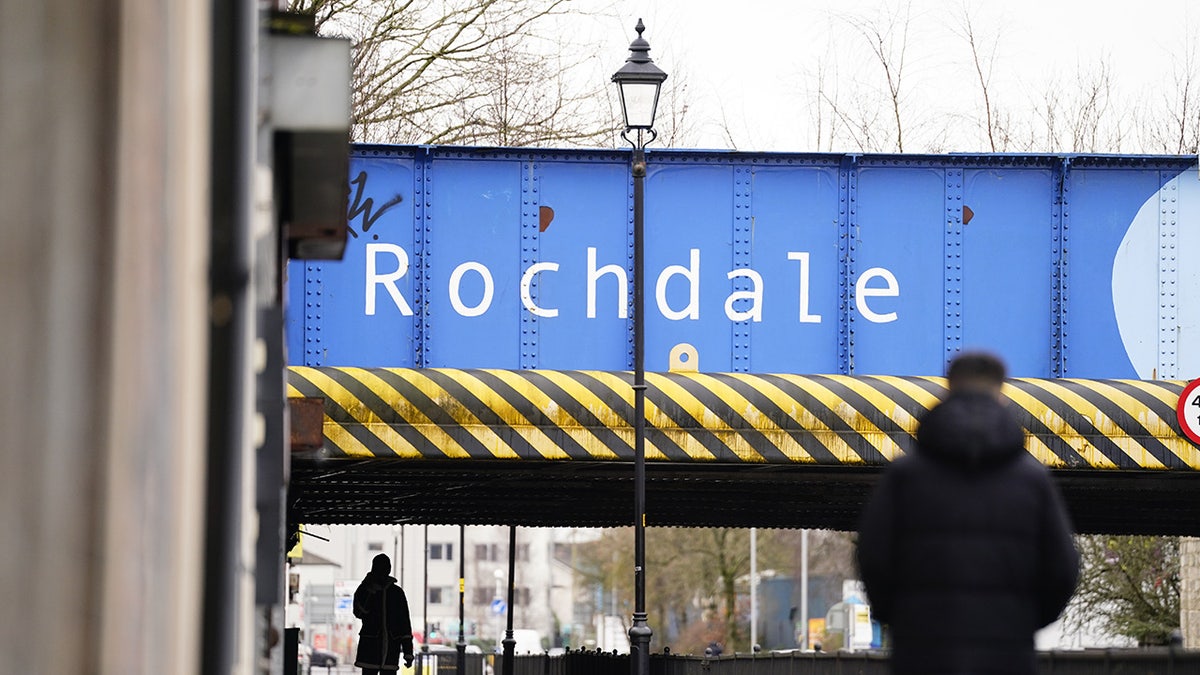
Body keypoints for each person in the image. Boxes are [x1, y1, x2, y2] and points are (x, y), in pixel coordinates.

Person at [857, 352, 1079, 675]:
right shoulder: (1033, 481)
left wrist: (902, 617)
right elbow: (1062, 570)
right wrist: (1022, 621)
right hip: (1007, 656)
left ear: (948, 389)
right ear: (1001, 394)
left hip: (921, 655)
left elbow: (873, 560)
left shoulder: (904, 478)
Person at [353, 553, 414, 675]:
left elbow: (404, 623)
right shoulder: (365, 589)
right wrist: (369, 591)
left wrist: (408, 651)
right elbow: (359, 612)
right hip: (371, 645)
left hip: (390, 645)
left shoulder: (396, 593)